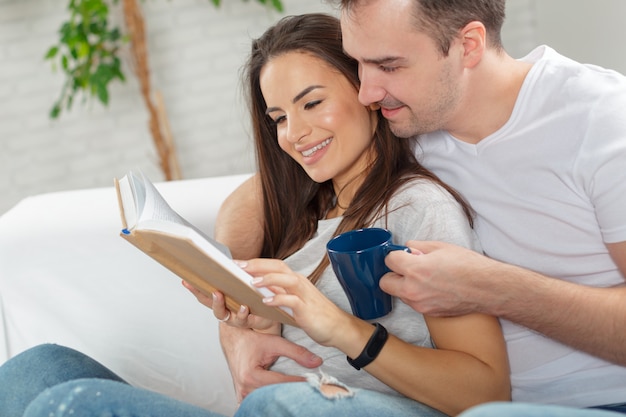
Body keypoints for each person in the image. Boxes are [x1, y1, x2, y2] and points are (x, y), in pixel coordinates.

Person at [0, 13, 510, 417]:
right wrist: (255, 315)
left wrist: (337, 326)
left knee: (67, 409)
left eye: (312, 103)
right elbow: (253, 200)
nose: (294, 134)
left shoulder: (418, 206)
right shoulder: (308, 215)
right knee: (31, 371)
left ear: (367, 91)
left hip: (346, 409)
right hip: (277, 409)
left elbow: (486, 394)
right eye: (280, 118)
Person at [214, 0, 626, 415]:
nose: (367, 92)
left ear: (468, 45)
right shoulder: (409, 123)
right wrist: (239, 324)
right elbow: (263, 192)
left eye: (389, 66)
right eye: (358, 63)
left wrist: (497, 287)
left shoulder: (601, 119)